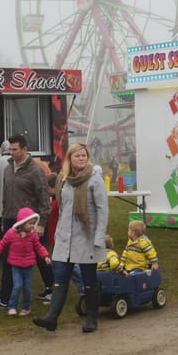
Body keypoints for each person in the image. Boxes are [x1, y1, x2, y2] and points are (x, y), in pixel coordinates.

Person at [33, 142, 109, 333]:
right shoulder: (63, 179)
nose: (81, 158)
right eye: (77, 156)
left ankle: (92, 319)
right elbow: (62, 208)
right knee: (60, 278)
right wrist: (58, 233)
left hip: (87, 237)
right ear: (70, 158)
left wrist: (99, 237)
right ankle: (52, 318)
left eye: (84, 155)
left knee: (89, 280)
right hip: (65, 237)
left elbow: (103, 210)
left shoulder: (95, 179)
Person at [0, 134, 50, 308]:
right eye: (10, 149)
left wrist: (41, 223)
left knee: (40, 256)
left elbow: (44, 198)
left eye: (15, 149)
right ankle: (4, 298)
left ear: (25, 149)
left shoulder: (35, 171)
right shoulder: (8, 168)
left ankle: (52, 287)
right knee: (8, 258)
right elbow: (6, 196)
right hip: (10, 220)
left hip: (29, 222)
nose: (11, 152)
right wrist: (4, 218)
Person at [0, 207, 51, 315]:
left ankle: (26, 308)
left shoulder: (32, 235)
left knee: (27, 288)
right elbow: (2, 243)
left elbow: (39, 246)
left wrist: (45, 256)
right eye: (30, 223)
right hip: (16, 266)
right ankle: (12, 306)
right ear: (22, 223)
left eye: (34, 223)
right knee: (17, 286)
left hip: (29, 266)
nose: (33, 226)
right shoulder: (11, 233)